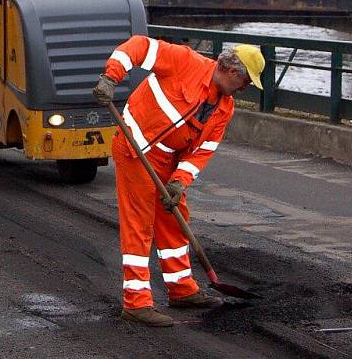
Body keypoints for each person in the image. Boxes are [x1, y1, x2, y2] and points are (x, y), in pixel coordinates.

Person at [93, 39, 265, 327]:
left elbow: (203, 150)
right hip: (136, 150)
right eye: (246, 80)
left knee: (174, 218)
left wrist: (179, 182)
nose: (246, 88)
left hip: (167, 163)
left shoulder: (225, 108)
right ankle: (136, 303)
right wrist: (111, 77)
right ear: (230, 69)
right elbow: (137, 46)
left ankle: (181, 289)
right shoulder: (185, 61)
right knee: (140, 224)